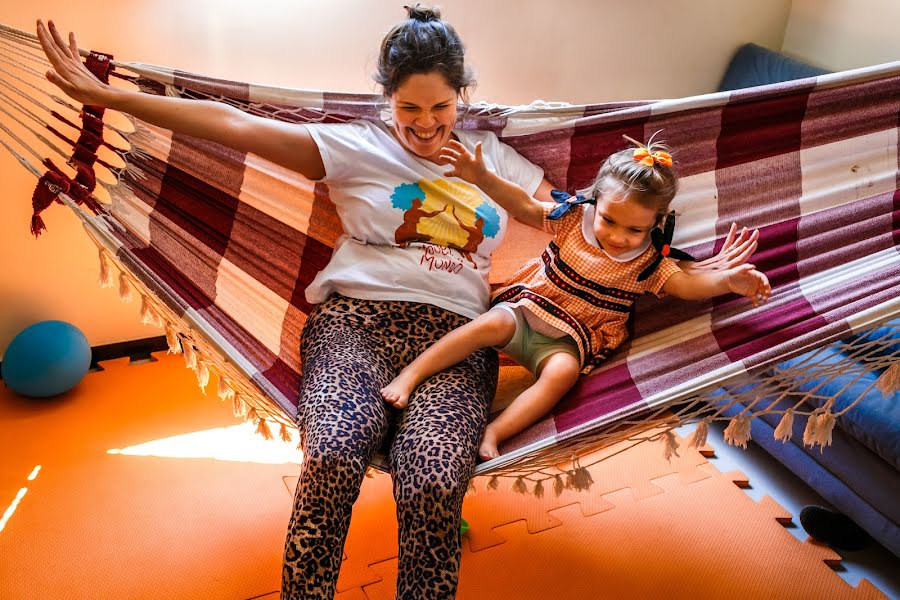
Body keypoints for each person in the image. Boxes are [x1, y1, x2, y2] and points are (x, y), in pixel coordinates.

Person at [37, 7, 764, 599]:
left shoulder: (499, 160)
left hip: (459, 332)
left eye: (441, 107)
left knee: (433, 481)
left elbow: (600, 227)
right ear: (387, 100)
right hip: (355, 320)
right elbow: (236, 127)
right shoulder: (353, 147)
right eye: (409, 107)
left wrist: (697, 271)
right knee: (333, 453)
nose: (424, 123)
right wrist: (108, 97)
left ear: (463, 99)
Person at [381, 136, 772, 460]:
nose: (618, 236)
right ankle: (411, 374)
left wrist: (727, 283)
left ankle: (494, 433)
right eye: (609, 220)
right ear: (595, 202)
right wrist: (481, 175)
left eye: (635, 229)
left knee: (562, 374)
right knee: (489, 323)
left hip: (567, 340)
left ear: (658, 222)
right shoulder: (572, 219)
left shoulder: (650, 262)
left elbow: (686, 287)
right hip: (526, 311)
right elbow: (523, 205)